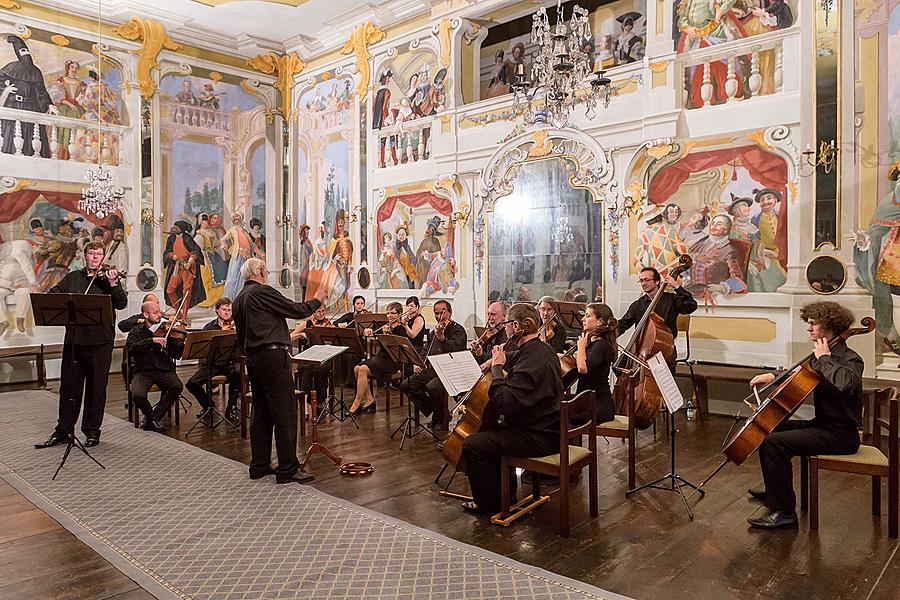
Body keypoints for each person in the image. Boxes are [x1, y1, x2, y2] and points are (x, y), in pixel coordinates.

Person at [746, 302, 863, 529]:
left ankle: (784, 512)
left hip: (842, 435)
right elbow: (800, 373)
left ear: (830, 326)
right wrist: (773, 376)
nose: (809, 328)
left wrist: (825, 357)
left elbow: (846, 384)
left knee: (775, 443)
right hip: (823, 426)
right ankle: (775, 492)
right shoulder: (821, 356)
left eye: (813, 323)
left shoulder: (850, 358)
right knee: (768, 427)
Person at [459, 303, 563, 514]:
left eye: (507, 324)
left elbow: (504, 403)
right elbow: (519, 357)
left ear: (516, 326)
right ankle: (507, 494)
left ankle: (489, 504)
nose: (505, 328)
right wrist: (494, 360)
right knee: (493, 432)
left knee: (473, 444)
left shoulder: (531, 359)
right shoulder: (544, 349)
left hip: (538, 438)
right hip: (551, 428)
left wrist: (497, 369)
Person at [233, 257, 324, 483]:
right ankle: (287, 468)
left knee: (261, 412)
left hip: (253, 359)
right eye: (266, 270)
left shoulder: (239, 298)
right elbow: (296, 309)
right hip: (273, 358)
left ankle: (259, 465)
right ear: (261, 271)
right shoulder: (262, 292)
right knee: (284, 412)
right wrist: (317, 300)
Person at [34, 242, 127, 449]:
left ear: (103, 257)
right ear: (85, 256)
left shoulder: (108, 279)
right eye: (91, 253)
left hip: (100, 342)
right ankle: (64, 431)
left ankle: (92, 431)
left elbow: (121, 303)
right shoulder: (73, 277)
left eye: (99, 254)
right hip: (75, 341)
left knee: (96, 390)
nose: (95, 257)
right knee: (69, 389)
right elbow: (54, 295)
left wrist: (113, 284)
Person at [400, 299, 467, 428]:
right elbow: (425, 351)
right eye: (436, 314)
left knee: (433, 387)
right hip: (434, 370)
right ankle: (436, 410)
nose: (439, 317)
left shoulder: (458, 330)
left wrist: (442, 339)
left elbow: (455, 349)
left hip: (451, 370)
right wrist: (418, 363)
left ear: (450, 312)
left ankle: (440, 415)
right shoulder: (433, 333)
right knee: (406, 385)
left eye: (442, 313)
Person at [125, 300, 185, 432]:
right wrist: (151, 340)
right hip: (143, 371)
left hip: (163, 370)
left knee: (177, 386)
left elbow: (176, 354)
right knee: (138, 395)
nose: (159, 315)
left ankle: (153, 418)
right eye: (155, 312)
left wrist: (179, 341)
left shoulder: (166, 331)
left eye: (159, 312)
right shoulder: (136, 332)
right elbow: (131, 349)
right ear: (146, 315)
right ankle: (152, 418)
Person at [185, 296, 240, 422]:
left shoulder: (235, 326)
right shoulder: (209, 327)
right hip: (212, 364)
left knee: (238, 374)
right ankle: (208, 405)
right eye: (224, 309)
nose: (227, 313)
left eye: (229, 310)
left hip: (229, 362)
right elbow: (204, 349)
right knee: (192, 383)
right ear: (217, 311)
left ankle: (231, 407)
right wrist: (221, 333)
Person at [617, 267, 698, 351]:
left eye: (646, 280)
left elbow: (691, 306)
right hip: (642, 349)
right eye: (641, 280)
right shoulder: (637, 305)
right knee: (622, 362)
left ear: (657, 281)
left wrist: (676, 286)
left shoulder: (671, 300)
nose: (643, 283)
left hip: (666, 349)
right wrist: (607, 333)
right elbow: (624, 324)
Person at [349, 301, 406, 414]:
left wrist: (386, 335)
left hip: (391, 361)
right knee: (357, 368)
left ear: (399, 314)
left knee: (363, 369)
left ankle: (357, 403)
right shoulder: (385, 327)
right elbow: (373, 335)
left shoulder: (401, 330)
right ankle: (370, 399)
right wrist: (368, 332)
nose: (389, 316)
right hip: (381, 358)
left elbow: (395, 350)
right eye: (388, 313)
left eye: (392, 313)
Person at [574, 303, 618, 423]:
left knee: (556, 413)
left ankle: (565, 441)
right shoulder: (594, 343)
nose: (583, 319)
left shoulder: (602, 345)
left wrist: (581, 347)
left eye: (587, 316)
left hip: (598, 405)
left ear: (599, 322)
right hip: (587, 401)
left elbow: (583, 368)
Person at [163, 220, 205, 323]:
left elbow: (196, 252)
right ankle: (178, 312)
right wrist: (173, 256)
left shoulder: (187, 238)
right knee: (170, 290)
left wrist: (190, 260)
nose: (174, 228)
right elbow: (167, 252)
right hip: (177, 267)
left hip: (188, 268)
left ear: (181, 229)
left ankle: (184, 317)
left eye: (176, 227)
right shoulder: (171, 238)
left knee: (186, 292)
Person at [471, 301, 509, 373]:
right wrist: (479, 352)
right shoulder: (489, 332)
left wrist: (483, 354)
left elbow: (497, 357)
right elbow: (484, 357)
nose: (489, 318)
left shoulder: (506, 334)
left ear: (504, 316)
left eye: (493, 314)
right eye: (488, 314)